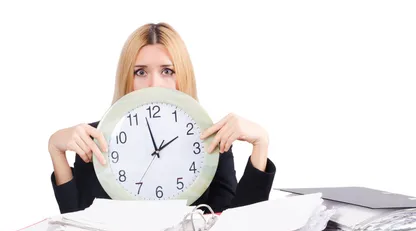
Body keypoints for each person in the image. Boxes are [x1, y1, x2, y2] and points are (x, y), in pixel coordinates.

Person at [48, 22, 276, 214]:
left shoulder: (212, 140)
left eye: (167, 71)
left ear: (182, 76)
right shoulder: (95, 138)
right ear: (127, 77)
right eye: (141, 72)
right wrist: (56, 148)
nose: (154, 84)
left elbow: (235, 227)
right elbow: (76, 224)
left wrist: (261, 143)